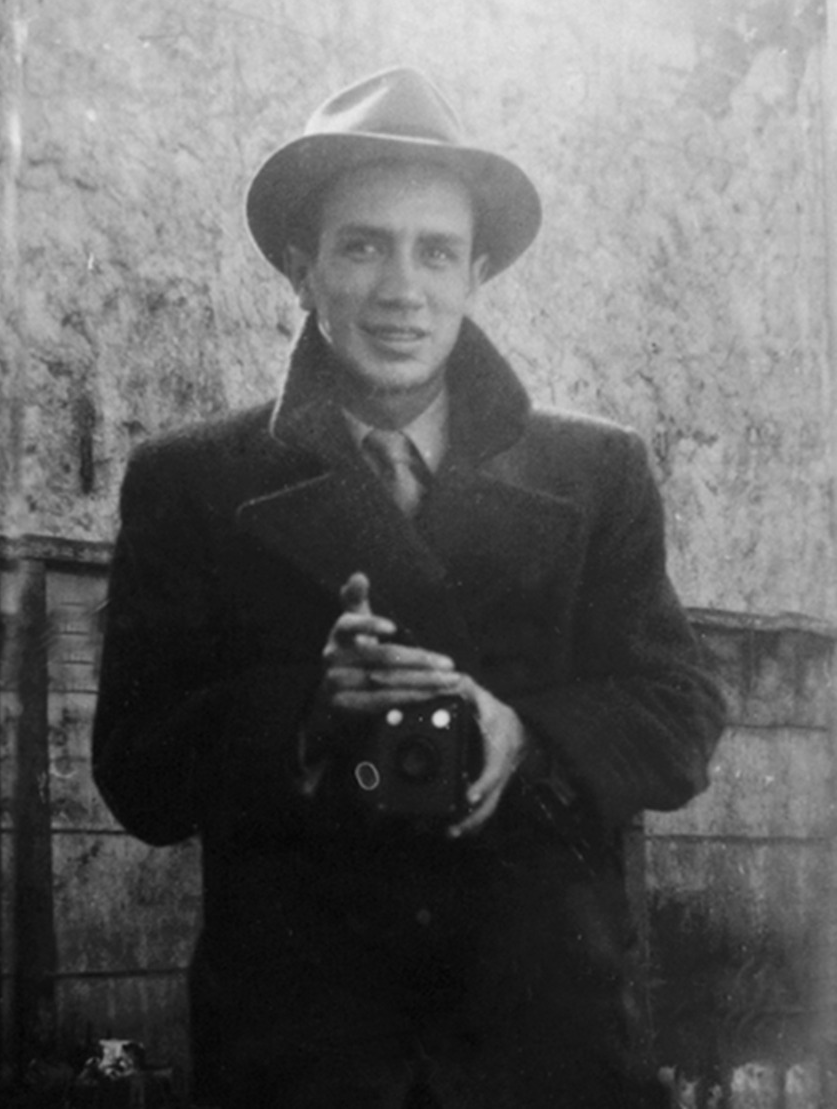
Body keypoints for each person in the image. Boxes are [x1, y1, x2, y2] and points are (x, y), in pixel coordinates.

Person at [92, 67, 726, 1108]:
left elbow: (681, 713)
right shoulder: (191, 481)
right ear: (301, 269)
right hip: (303, 1049)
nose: (402, 289)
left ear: (476, 272)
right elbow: (136, 770)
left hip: (543, 1039)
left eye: (435, 251)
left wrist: (523, 736)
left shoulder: (596, 473)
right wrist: (304, 712)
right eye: (362, 246)